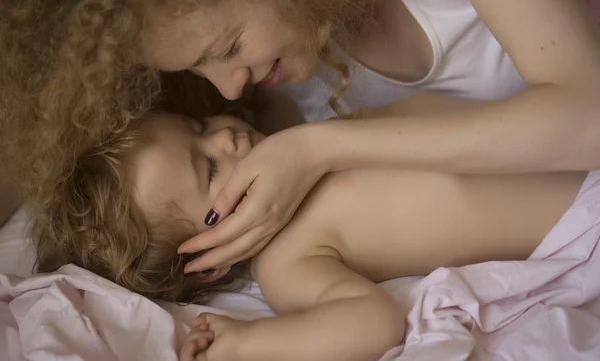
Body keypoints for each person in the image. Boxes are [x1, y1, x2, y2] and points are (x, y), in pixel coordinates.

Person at [2, 0, 600, 275]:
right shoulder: (281, 93)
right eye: (198, 71)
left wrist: (322, 147)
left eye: (229, 45)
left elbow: (590, 121)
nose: (228, 89)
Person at [37, 92, 593, 361]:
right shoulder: (287, 262)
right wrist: (253, 342)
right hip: (581, 215)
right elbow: (372, 320)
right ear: (208, 256)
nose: (226, 140)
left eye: (199, 124)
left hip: (566, 141)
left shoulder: (293, 149)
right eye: (209, 170)